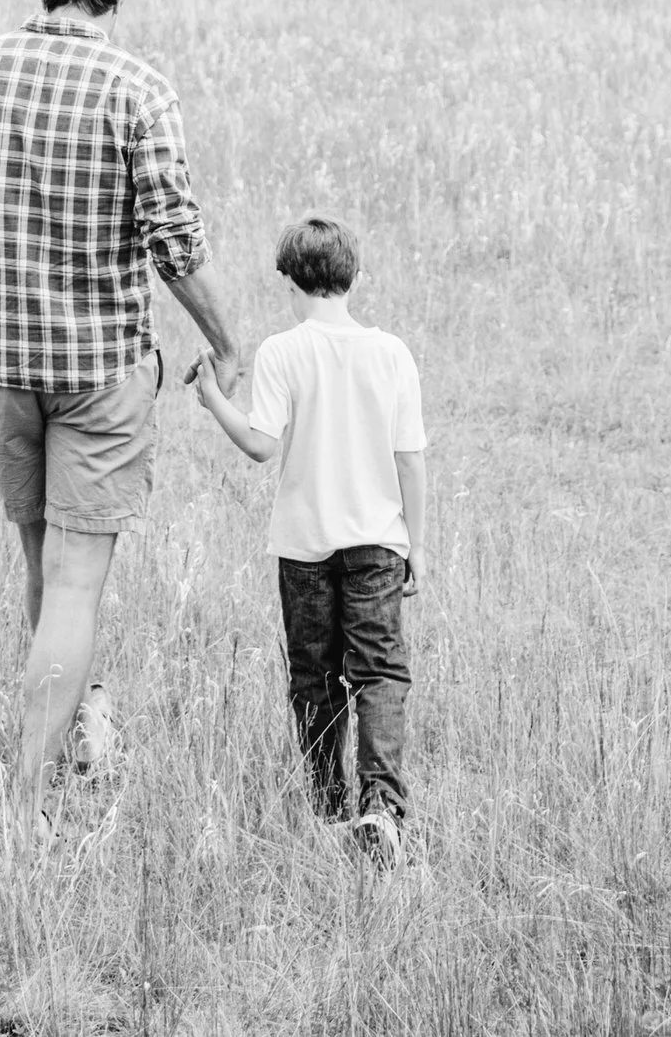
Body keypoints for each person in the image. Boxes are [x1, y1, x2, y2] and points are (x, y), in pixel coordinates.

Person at [0, 0, 242, 840]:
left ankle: (84, 721)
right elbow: (174, 243)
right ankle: (26, 800)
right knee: (75, 584)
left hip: (2, 368)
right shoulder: (137, 89)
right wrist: (225, 341)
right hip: (99, 372)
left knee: (40, 562)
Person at [191, 214, 427, 867]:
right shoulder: (392, 353)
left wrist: (213, 398)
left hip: (303, 547)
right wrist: (417, 545)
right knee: (380, 672)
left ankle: (328, 809)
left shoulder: (282, 351)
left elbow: (261, 445)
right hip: (378, 542)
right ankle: (383, 810)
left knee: (315, 679)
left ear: (290, 282)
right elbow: (410, 459)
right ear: (356, 279)